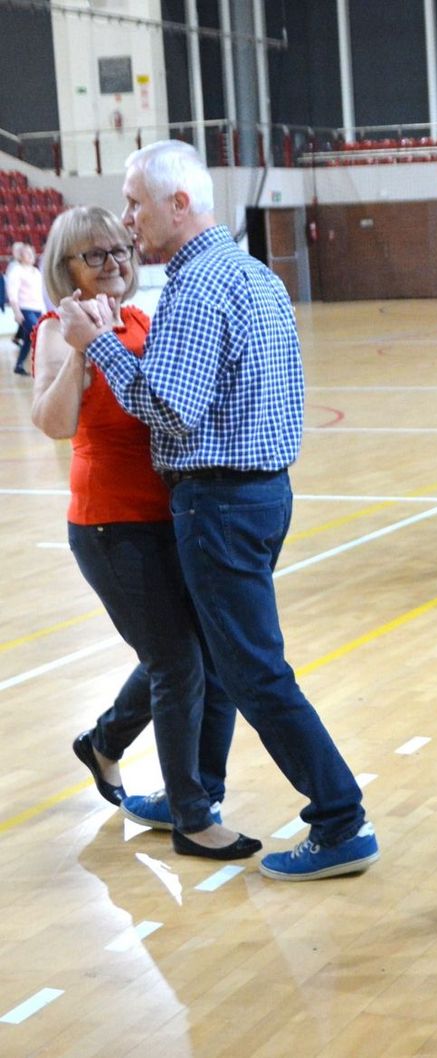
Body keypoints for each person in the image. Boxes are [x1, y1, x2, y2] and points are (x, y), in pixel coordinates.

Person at [57, 140, 379, 881]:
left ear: (179, 203)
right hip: (262, 492)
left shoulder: (197, 287)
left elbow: (169, 408)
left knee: (254, 670)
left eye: (136, 202)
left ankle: (340, 818)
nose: (129, 218)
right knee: (223, 656)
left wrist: (101, 344)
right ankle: (191, 793)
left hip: (220, 502)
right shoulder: (252, 274)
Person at [30, 206, 249, 858]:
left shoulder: (141, 321)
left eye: (120, 250)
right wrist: (80, 353)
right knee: (178, 663)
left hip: (170, 516)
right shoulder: (54, 329)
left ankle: (104, 742)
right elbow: (54, 423)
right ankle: (190, 815)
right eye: (94, 255)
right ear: (63, 267)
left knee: (196, 656)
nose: (114, 263)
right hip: (108, 526)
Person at [8, 241, 46, 376]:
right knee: (36, 333)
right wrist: (16, 311)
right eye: (27, 253)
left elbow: (39, 293)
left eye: (32, 253)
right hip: (25, 308)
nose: (31, 255)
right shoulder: (16, 270)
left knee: (29, 338)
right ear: (21, 256)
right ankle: (40, 365)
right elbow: (12, 293)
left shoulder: (36, 272)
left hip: (37, 309)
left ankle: (19, 365)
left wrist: (44, 312)